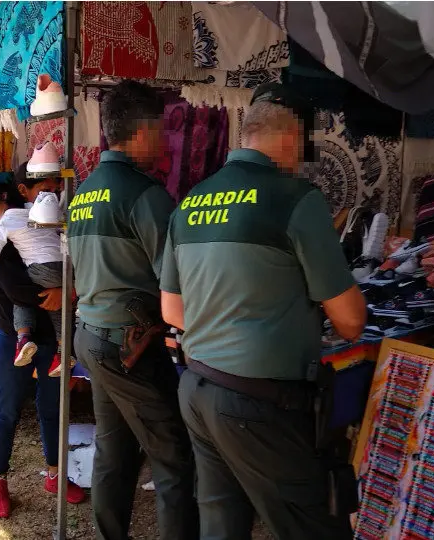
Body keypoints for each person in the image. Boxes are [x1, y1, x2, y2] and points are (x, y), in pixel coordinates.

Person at [160, 82, 366, 539]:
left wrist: (227, 324)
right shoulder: (295, 199)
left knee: (222, 525)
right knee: (315, 528)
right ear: (292, 136)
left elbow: (172, 309)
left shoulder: (190, 202)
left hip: (197, 387)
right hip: (259, 402)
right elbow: (351, 322)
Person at [67, 80, 198, 540]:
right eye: (160, 130)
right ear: (142, 132)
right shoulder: (146, 195)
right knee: (175, 457)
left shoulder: (83, 193)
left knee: (115, 451)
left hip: (92, 338)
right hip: (131, 348)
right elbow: (177, 281)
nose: (164, 142)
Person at [0, 171, 86, 518]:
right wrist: (60, 291)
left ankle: (55, 475)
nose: (53, 193)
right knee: (6, 410)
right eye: (45, 187)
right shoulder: (7, 233)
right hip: (12, 338)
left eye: (57, 187)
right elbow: (16, 290)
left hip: (53, 341)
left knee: (54, 408)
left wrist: (69, 287)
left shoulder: (56, 226)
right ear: (23, 191)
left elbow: (78, 264)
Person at [0, 184, 65, 375]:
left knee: (21, 297)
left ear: (3, 196)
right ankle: (63, 352)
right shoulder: (36, 213)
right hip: (65, 268)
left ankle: (24, 338)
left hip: (42, 269)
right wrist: (67, 288)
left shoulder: (2, 225)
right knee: (58, 309)